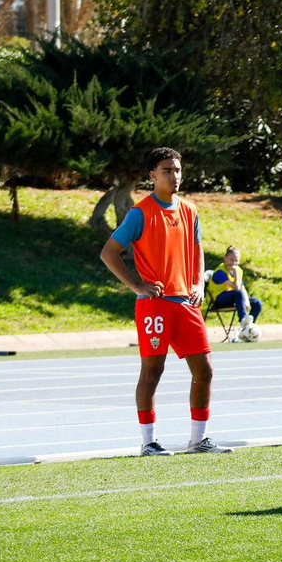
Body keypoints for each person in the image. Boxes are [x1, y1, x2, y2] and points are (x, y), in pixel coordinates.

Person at [99, 147, 223, 456]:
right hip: (155, 304)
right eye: (167, 170)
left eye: (178, 170)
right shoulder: (140, 213)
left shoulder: (190, 211)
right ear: (152, 175)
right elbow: (109, 253)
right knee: (153, 372)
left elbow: (197, 249)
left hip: (186, 303)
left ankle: (198, 440)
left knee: (204, 370)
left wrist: (198, 284)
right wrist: (137, 285)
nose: (175, 175)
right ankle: (149, 442)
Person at [209, 246, 264, 339]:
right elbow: (236, 287)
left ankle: (247, 329)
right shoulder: (220, 272)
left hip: (234, 297)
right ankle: (243, 319)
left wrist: (246, 301)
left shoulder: (238, 270)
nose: (234, 263)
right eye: (231, 260)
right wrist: (235, 272)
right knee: (238, 293)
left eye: (236, 261)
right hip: (218, 299)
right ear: (225, 258)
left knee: (257, 303)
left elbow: (242, 287)